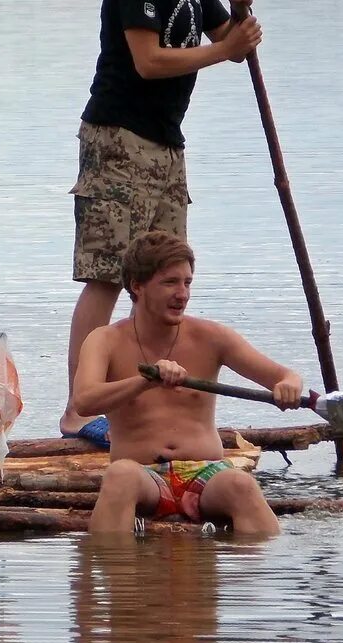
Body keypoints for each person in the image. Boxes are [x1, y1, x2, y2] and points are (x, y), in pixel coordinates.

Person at [60, 0, 263, 446]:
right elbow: (149, 60)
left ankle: (150, 412)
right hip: (117, 137)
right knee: (106, 273)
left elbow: (237, 45)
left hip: (167, 145)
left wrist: (242, 12)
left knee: (163, 274)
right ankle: (79, 409)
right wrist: (222, 47)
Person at [74, 231, 300, 538]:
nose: (182, 294)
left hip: (206, 473)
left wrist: (288, 386)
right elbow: (84, 401)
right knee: (120, 475)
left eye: (187, 282)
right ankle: (121, 581)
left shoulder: (212, 337)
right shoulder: (105, 340)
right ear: (137, 286)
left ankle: (258, 580)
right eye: (170, 283)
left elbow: (285, 375)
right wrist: (145, 381)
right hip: (143, 475)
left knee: (241, 483)